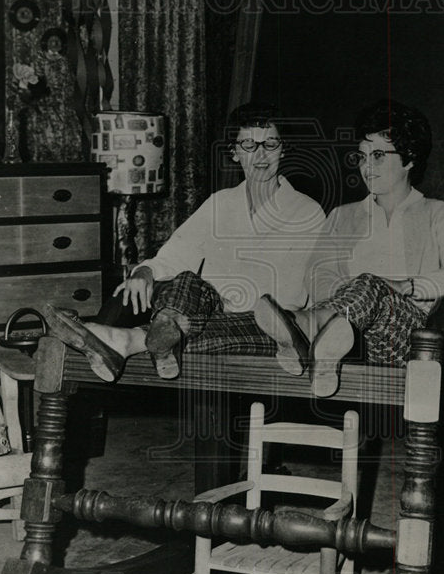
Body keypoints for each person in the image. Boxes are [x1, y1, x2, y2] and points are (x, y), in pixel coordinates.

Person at [43, 103, 326, 380]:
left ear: (284, 149)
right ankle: (156, 334)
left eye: (270, 145)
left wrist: (226, 308)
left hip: (265, 327)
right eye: (249, 145)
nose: (260, 155)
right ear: (235, 153)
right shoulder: (220, 204)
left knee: (201, 325)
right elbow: (176, 255)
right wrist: (145, 272)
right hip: (201, 313)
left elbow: (292, 295)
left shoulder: (306, 211)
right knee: (188, 280)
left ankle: (127, 340)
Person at [254, 98, 444, 398]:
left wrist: (404, 285)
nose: (366, 167)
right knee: (351, 292)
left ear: (410, 158)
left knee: (368, 283)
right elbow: (318, 276)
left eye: (377, 155)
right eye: (361, 157)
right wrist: (345, 302)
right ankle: (321, 347)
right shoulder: (342, 216)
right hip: (349, 338)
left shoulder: (437, 214)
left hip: (406, 339)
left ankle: (307, 330)